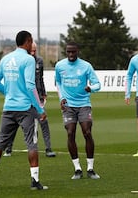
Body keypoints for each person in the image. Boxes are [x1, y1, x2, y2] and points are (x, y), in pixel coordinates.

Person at [0, 30, 48, 190]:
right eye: (31, 41)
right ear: (27, 41)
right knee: (32, 144)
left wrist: (8, 92)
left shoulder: (6, 58)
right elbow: (30, 86)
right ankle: (35, 181)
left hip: (8, 108)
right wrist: (40, 108)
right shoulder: (28, 59)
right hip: (25, 108)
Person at [55, 41, 101, 180]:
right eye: (68, 51)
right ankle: (77, 169)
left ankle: (91, 168)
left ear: (77, 51)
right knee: (70, 133)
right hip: (68, 105)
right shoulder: (60, 66)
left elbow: (98, 84)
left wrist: (91, 88)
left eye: (73, 52)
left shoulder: (86, 66)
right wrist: (61, 98)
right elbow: (58, 83)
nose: (70, 54)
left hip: (84, 104)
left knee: (87, 131)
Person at [3, 42, 56, 158]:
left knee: (43, 121)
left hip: (37, 97)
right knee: (15, 123)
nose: (33, 53)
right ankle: (8, 148)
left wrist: (43, 93)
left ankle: (48, 148)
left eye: (34, 51)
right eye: (31, 51)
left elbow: (40, 78)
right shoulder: (22, 61)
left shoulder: (39, 61)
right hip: (23, 98)